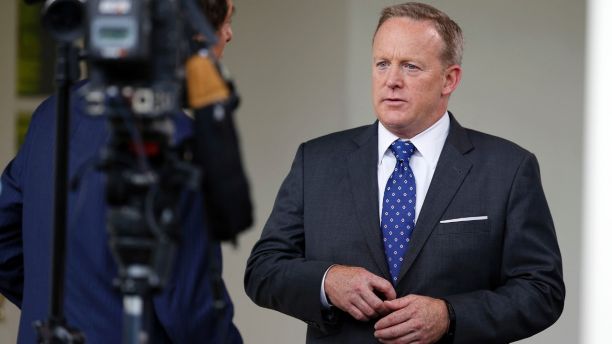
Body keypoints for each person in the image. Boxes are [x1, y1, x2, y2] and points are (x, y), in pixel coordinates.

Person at [244, 2, 564, 343]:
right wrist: (327, 280)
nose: (392, 81)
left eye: (410, 67)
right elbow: (263, 269)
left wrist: (449, 316)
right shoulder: (317, 161)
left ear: (449, 79)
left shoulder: (509, 168)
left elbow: (541, 290)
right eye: (382, 64)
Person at [0, 0, 245, 343]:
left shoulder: (50, 116)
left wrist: (69, 311)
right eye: (223, 20)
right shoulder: (179, 139)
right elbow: (192, 315)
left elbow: (3, 239)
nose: (229, 34)